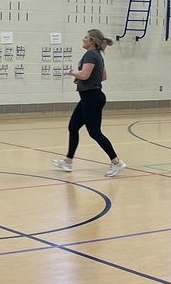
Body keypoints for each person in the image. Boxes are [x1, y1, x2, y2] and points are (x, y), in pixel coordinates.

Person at [51, 29, 125, 177]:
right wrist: (82, 78)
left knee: (95, 132)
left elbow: (85, 74)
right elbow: (103, 76)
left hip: (92, 97)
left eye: (85, 38)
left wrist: (72, 72)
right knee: (73, 127)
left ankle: (117, 162)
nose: (83, 40)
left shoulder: (91, 54)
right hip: (88, 96)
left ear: (92, 41)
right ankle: (68, 161)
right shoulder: (97, 55)